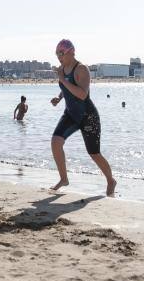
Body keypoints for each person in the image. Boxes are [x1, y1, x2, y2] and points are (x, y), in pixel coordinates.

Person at [49, 39, 116, 197]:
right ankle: (64, 179)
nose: (59, 57)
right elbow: (66, 89)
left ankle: (111, 180)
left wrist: (63, 79)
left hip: (88, 116)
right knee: (56, 142)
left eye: (61, 53)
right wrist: (59, 98)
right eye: (57, 54)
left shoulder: (81, 69)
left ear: (71, 52)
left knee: (94, 153)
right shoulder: (63, 69)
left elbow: (82, 93)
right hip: (71, 114)